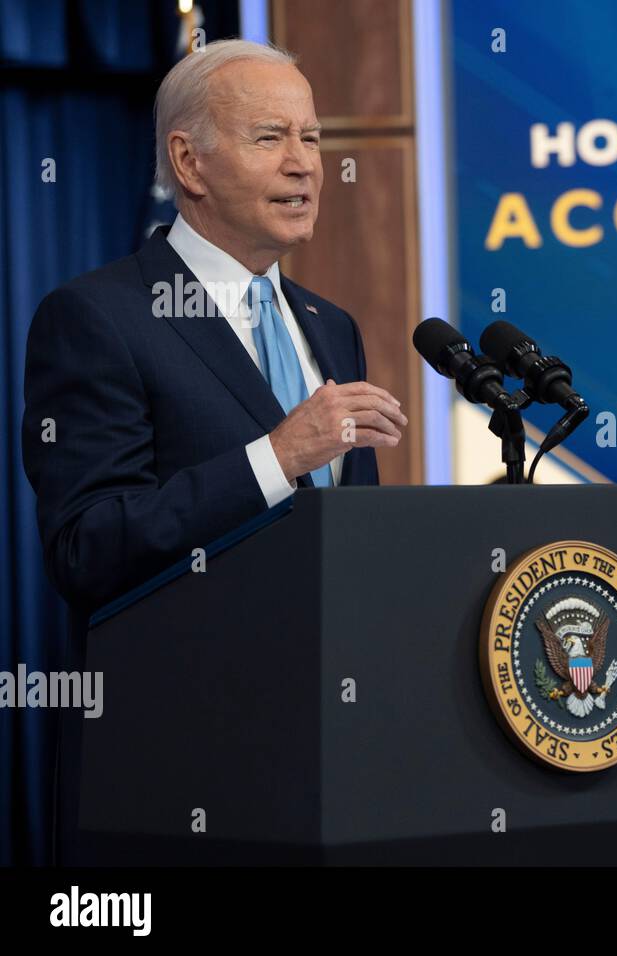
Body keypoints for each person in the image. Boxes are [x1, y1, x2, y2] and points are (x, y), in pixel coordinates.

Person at [21, 39, 407, 863]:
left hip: (334, 776)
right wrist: (275, 454)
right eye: (271, 138)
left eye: (311, 137)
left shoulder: (329, 326)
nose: (305, 164)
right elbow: (88, 547)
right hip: (174, 781)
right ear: (188, 161)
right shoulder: (97, 318)